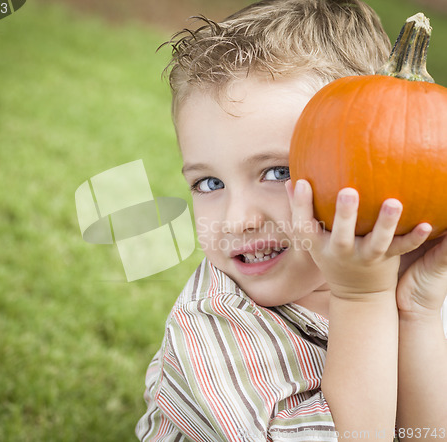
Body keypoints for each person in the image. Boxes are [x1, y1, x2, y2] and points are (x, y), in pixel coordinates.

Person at [136, 0, 447, 440]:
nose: (237, 219)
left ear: (372, 156)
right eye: (208, 183)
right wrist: (361, 298)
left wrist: (416, 313)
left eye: (278, 172)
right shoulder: (212, 333)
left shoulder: (407, 273)